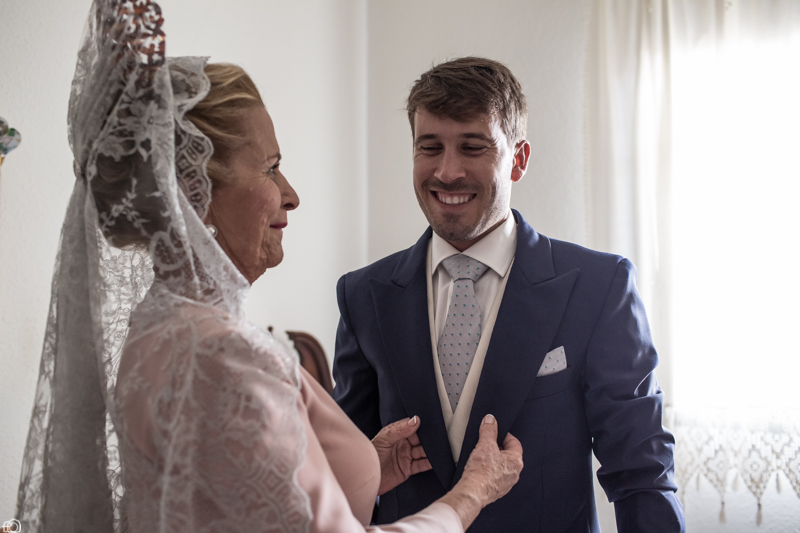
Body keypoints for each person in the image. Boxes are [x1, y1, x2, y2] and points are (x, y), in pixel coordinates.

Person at [14, 4, 522, 532]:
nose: (291, 194)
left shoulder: (156, 327)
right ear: (194, 194)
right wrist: (470, 496)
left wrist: (365, 467)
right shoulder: (223, 355)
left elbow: (233, 497)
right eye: (271, 168)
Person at [332, 57, 686, 532]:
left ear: (518, 159)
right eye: (429, 147)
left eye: (472, 147)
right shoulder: (363, 296)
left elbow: (641, 472)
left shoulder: (599, 286)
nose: (447, 171)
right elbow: (340, 481)